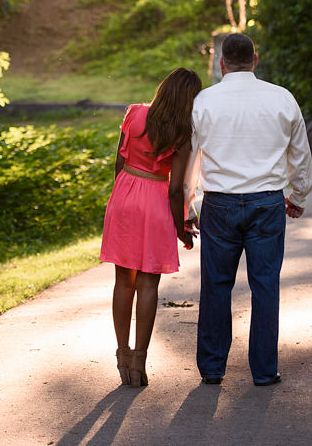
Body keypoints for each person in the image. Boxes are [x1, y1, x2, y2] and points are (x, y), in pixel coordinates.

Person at [186, 32, 312, 387]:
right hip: (267, 202)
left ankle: (212, 369)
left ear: (222, 62)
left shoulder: (203, 102)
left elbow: (190, 159)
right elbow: (301, 155)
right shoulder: (282, 99)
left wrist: (187, 205)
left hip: (219, 205)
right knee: (265, 286)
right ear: (255, 60)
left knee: (215, 286)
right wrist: (298, 196)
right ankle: (264, 370)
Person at [100, 67, 203, 388]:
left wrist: (121, 196)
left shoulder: (134, 113)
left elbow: (118, 162)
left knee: (122, 282)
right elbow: (176, 189)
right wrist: (182, 227)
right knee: (147, 285)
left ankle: (122, 355)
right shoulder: (182, 131)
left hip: (125, 195)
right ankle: (139, 364)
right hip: (156, 202)